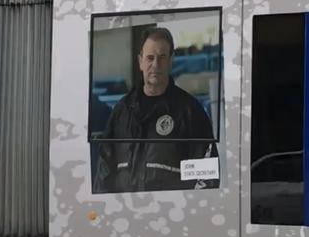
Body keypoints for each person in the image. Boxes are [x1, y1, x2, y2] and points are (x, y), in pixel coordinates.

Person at [92, 27, 218, 193]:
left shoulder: (190, 112)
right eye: (150, 58)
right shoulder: (121, 111)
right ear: (140, 62)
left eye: (162, 57)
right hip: (125, 213)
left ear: (171, 60)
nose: (156, 65)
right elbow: (104, 171)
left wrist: (185, 212)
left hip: (171, 214)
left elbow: (205, 175)